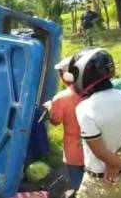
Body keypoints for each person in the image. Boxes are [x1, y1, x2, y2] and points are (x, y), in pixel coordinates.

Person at [67, 48, 121, 198]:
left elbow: (100, 152)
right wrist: (120, 163)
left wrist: (116, 165)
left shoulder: (85, 108)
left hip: (100, 181)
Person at [43, 56, 84, 194]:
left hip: (74, 150)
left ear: (65, 76)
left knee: (78, 183)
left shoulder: (61, 98)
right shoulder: (92, 91)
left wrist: (50, 108)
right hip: (96, 148)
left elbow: (55, 121)